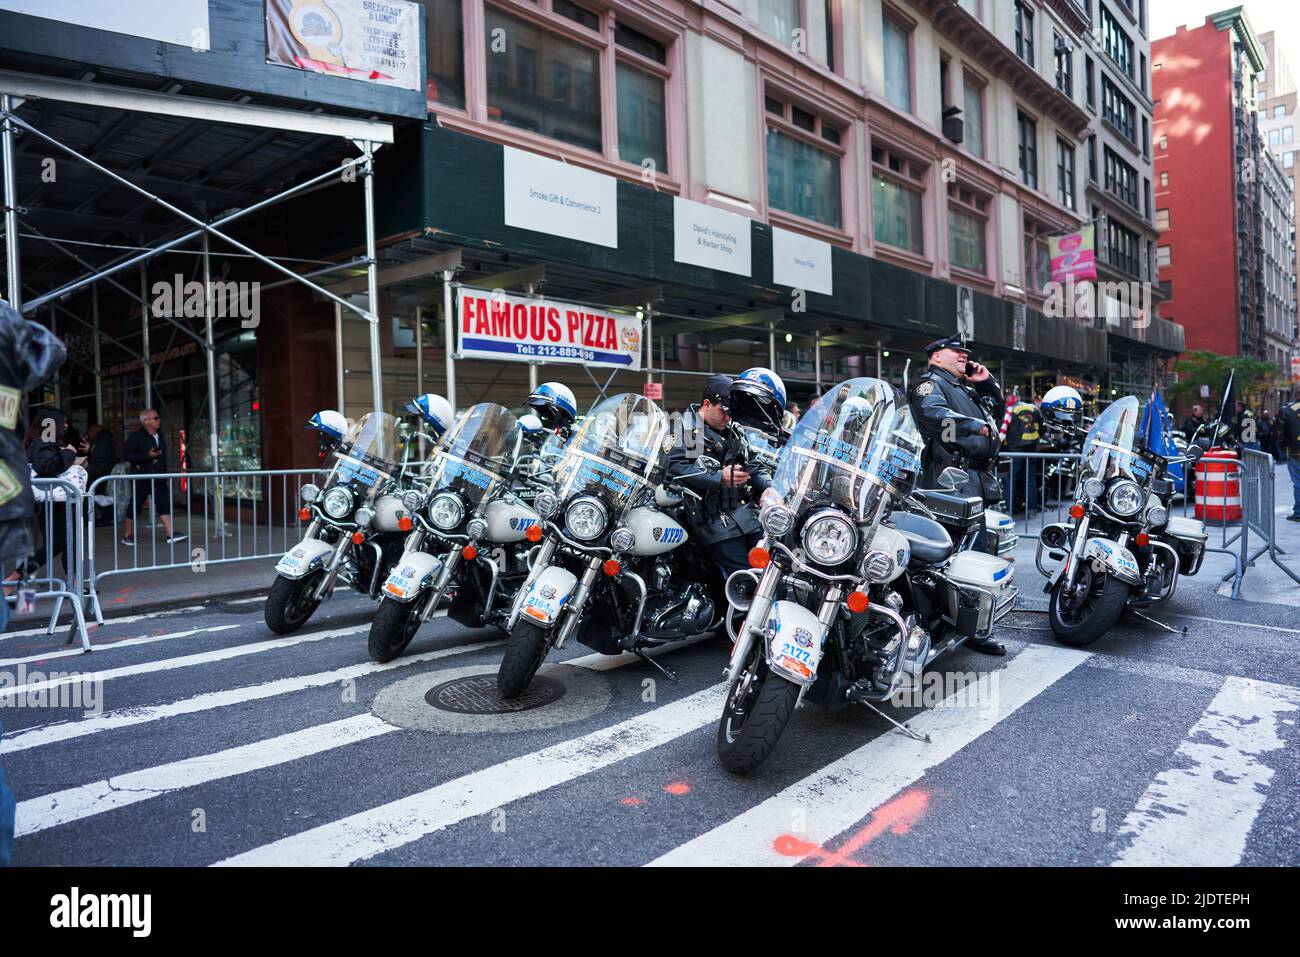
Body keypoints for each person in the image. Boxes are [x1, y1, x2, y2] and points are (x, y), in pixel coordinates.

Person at [908, 335, 1006, 655]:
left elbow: (994, 411)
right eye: (958, 352)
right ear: (937, 356)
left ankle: (969, 625)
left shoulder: (963, 387)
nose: (965, 357)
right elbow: (935, 417)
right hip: (951, 478)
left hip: (972, 479)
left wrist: (988, 383)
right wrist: (971, 427)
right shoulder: (931, 385)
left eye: (966, 353)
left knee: (971, 553)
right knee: (950, 556)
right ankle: (940, 625)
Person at [664, 372, 779, 579]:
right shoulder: (691, 429)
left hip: (747, 515)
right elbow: (677, 468)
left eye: (730, 412)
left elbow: (753, 464)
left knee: (774, 569)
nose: (727, 417)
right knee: (747, 580)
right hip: (714, 522)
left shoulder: (733, 430)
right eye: (723, 411)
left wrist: (769, 486)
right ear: (707, 404)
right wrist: (719, 477)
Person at [121, 408, 186, 546]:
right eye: (156, 418)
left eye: (158, 418)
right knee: (135, 505)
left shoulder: (160, 435)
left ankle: (170, 533)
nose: (159, 420)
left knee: (163, 504)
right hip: (142, 477)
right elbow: (127, 455)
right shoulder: (136, 437)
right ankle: (128, 534)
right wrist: (147, 456)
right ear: (146, 422)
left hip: (159, 477)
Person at [1005, 396, 1042, 514]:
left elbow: (1003, 428)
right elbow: (1042, 428)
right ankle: (1031, 509)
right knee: (1030, 478)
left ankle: (1009, 510)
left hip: (1015, 448)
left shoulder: (1010, 409)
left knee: (1010, 478)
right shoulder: (1034, 409)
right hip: (1031, 447)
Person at [1278, 394, 1300, 523]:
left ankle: (1298, 512)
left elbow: (1280, 432)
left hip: (1295, 452)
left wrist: (1282, 448)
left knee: (1298, 482)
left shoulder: (1287, 409)